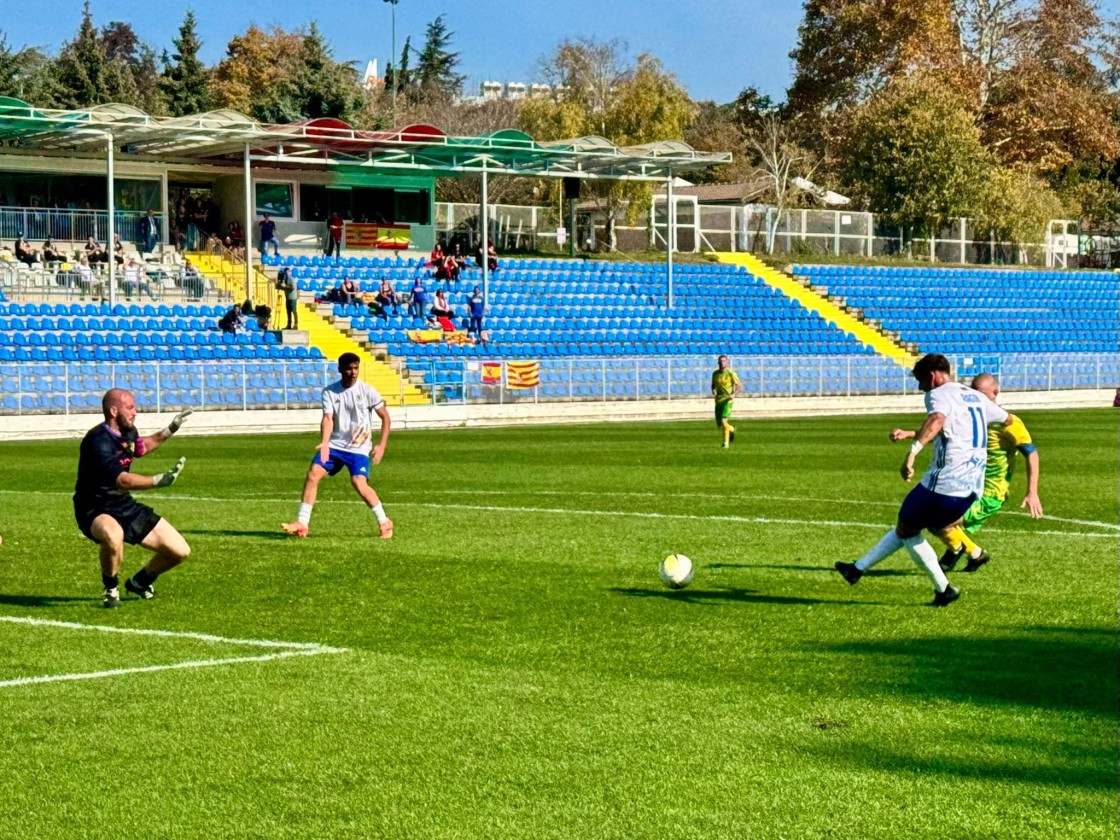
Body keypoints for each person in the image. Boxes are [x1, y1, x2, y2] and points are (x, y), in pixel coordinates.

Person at [834, 353, 1009, 606]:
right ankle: (856, 569)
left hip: (945, 483)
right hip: (971, 487)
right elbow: (1008, 419)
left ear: (932, 376)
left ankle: (944, 588)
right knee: (908, 525)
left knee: (907, 528)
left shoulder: (939, 394)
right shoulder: (975, 397)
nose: (920, 388)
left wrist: (912, 452)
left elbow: (937, 420)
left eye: (921, 381)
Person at [891, 372, 1042, 573]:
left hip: (989, 493)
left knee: (936, 521)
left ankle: (961, 550)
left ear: (995, 393)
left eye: (981, 393)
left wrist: (1032, 491)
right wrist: (908, 434)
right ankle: (973, 554)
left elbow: (1031, 454)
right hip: (964, 484)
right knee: (934, 517)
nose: (975, 396)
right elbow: (938, 429)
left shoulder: (1009, 423)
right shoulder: (968, 412)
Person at [73, 389, 192, 607]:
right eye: (130, 408)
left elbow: (142, 446)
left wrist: (171, 428)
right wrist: (158, 480)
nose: (135, 412)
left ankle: (139, 582)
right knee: (113, 534)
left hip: (123, 504)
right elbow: (122, 480)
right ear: (113, 410)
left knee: (180, 551)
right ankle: (110, 589)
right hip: (94, 507)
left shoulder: (128, 431)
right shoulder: (97, 441)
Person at [281, 353, 393, 540]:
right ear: (340, 369)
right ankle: (302, 523)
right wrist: (325, 442)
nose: (353, 372)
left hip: (358, 447)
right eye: (349, 368)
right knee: (313, 474)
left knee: (358, 482)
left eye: (356, 368)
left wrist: (382, 445)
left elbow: (385, 417)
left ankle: (384, 521)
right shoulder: (330, 392)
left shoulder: (368, 391)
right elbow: (327, 418)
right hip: (335, 446)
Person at [711, 355, 741, 448]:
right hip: (718, 400)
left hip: (728, 400)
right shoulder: (715, 374)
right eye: (720, 361)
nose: (722, 362)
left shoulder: (731, 373)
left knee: (724, 421)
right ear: (718, 362)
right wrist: (713, 390)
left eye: (724, 361)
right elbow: (713, 385)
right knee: (720, 425)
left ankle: (725, 444)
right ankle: (731, 429)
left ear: (727, 362)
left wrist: (734, 394)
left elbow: (739, 386)